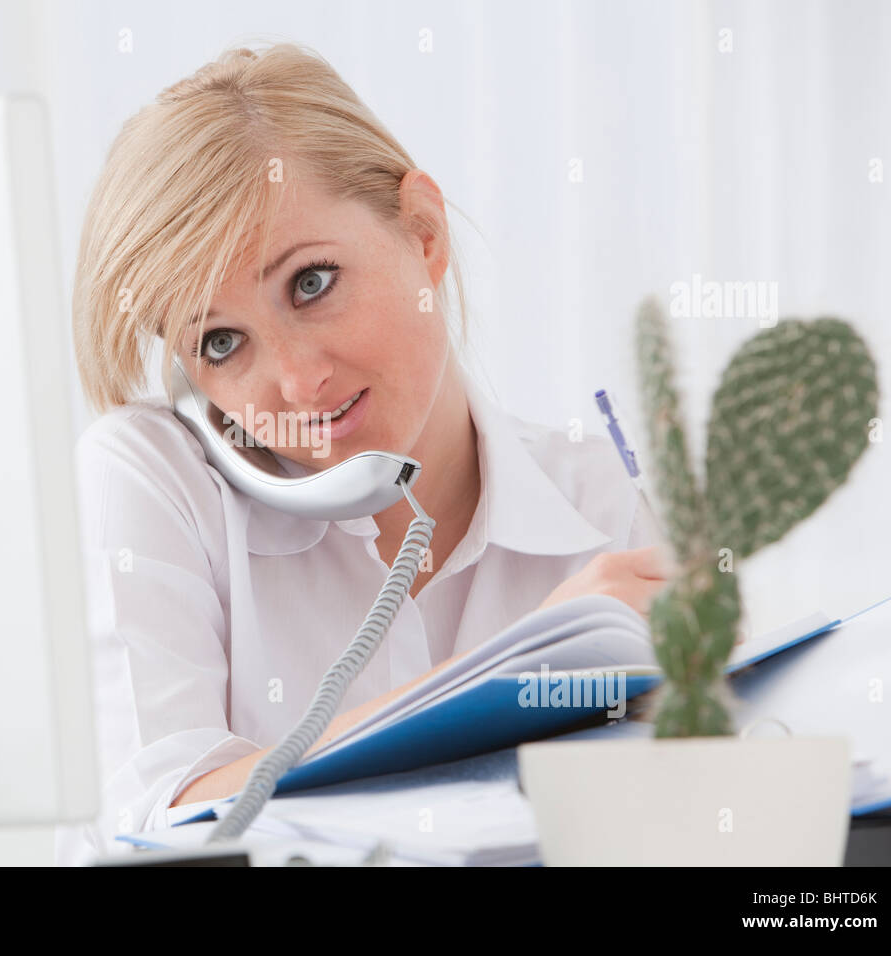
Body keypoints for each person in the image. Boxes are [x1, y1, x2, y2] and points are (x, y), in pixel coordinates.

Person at [58, 42, 673, 864]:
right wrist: (519, 673)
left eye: (311, 283)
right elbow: (153, 826)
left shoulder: (603, 499)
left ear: (423, 234)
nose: (299, 382)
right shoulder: (152, 481)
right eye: (221, 341)